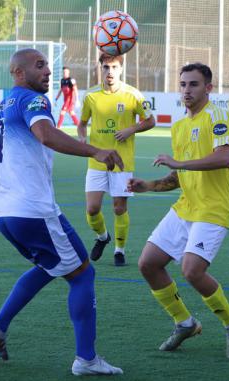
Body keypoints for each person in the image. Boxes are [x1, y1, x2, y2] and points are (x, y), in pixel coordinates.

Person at [0, 48, 123, 376]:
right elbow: (46, 135)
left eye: (48, 65)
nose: (47, 71)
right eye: (38, 65)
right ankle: (86, 359)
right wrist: (95, 151)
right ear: (18, 73)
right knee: (83, 274)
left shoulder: (5, 103)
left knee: (51, 267)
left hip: (5, 212)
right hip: (33, 209)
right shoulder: (34, 101)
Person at [128, 63, 229, 359]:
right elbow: (177, 178)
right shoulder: (180, 126)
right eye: (182, 84)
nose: (186, 90)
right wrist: (148, 186)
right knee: (148, 264)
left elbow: (223, 157)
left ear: (208, 88)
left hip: (214, 208)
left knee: (192, 271)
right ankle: (185, 322)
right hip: (186, 207)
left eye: (193, 84)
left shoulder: (217, 116)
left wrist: (178, 164)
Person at [77, 53, 156, 266]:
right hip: (96, 160)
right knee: (92, 208)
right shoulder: (91, 95)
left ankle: (119, 250)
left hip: (123, 162)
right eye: (105, 67)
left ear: (121, 69)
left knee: (119, 208)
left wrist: (131, 129)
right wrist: (82, 135)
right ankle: (103, 237)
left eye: (113, 67)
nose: (109, 72)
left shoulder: (134, 95)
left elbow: (151, 121)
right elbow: (82, 122)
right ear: (99, 69)